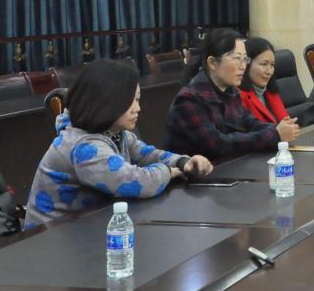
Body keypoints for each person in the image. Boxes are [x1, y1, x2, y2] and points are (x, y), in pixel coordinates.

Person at [24, 60, 213, 230]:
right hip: (50, 237)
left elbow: (147, 154)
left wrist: (183, 162)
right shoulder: (83, 147)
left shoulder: (114, 133)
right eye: (131, 101)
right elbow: (135, 182)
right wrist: (169, 171)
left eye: (138, 99)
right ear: (106, 102)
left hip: (85, 226)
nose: (138, 108)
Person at [165, 28, 299, 161]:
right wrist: (275, 135)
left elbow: (251, 123)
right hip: (197, 174)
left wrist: (280, 128)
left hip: (229, 168)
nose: (243, 66)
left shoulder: (231, 92)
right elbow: (217, 145)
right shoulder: (189, 100)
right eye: (237, 59)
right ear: (212, 62)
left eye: (245, 59)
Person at [238, 37, 293, 124]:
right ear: (247, 64)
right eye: (264, 64)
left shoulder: (270, 90)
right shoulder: (238, 97)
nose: (269, 71)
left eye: (272, 65)